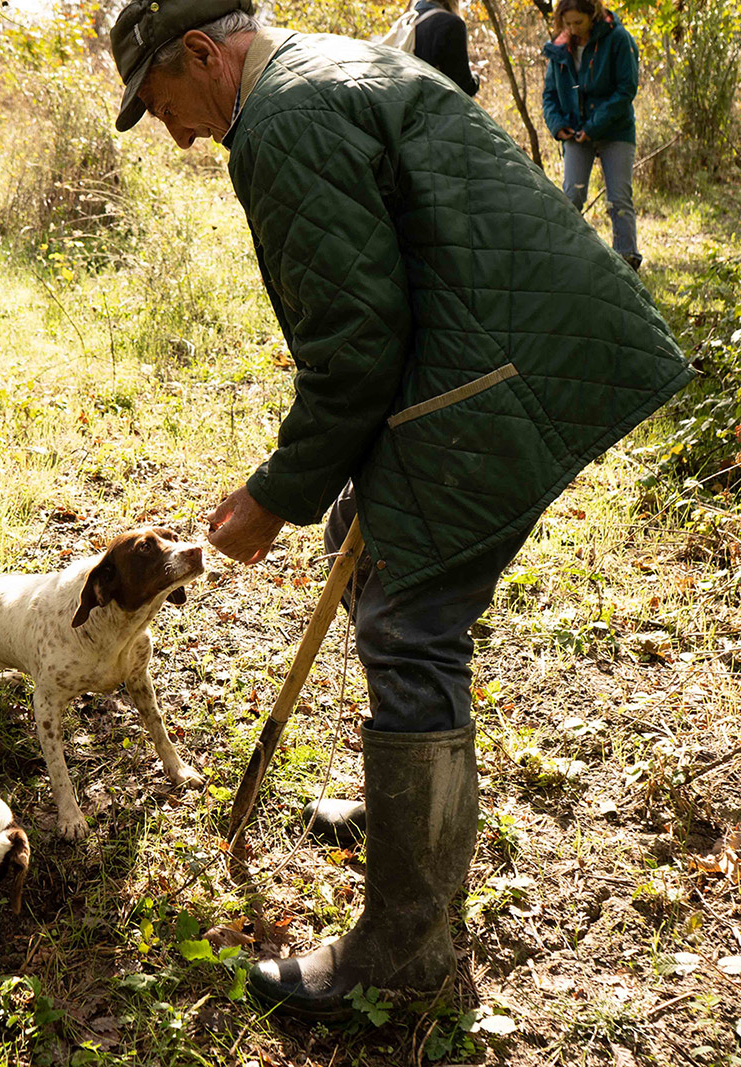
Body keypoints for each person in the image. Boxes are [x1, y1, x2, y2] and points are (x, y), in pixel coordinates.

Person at [109, 0, 690, 1020]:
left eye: (164, 105)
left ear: (203, 54)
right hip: (490, 344)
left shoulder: (281, 123)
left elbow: (356, 345)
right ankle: (402, 820)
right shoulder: (320, 68)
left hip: (495, 368)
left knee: (409, 613)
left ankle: (405, 948)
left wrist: (273, 495)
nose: (178, 133)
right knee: (367, 550)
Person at [542, 0, 643, 269]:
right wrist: (557, 125)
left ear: (593, 16)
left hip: (616, 129)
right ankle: (565, 259)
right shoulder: (559, 46)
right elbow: (550, 95)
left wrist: (593, 127)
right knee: (571, 196)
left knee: (619, 199)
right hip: (574, 131)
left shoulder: (618, 39)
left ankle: (627, 261)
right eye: (568, 23)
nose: (573, 29)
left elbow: (626, 89)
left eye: (579, 22)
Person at [386, 0, 480, 95]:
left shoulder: (407, 20)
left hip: (399, 101)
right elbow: (462, 87)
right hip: (429, 106)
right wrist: (475, 77)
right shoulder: (451, 24)